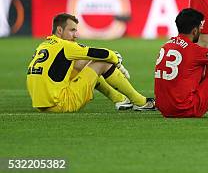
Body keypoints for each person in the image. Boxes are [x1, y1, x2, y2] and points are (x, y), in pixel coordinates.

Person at [26, 13, 155, 113]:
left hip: (41, 105)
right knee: (101, 63)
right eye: (72, 30)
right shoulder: (66, 46)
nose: (75, 35)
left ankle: (120, 99)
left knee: (80, 65)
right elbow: (101, 54)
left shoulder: (43, 45)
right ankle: (141, 102)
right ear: (59, 31)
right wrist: (116, 59)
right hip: (61, 104)